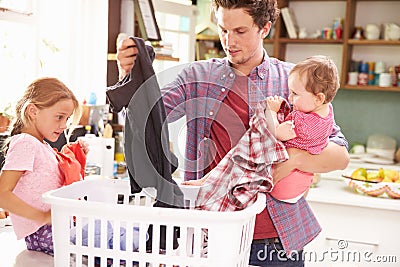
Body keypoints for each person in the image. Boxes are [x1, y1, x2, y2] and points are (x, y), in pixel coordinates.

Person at [116, 0, 349, 265]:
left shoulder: (293, 80)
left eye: (240, 31)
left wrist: (293, 159)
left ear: (264, 28)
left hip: (274, 241)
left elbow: (340, 155)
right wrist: (128, 76)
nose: (229, 41)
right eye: (223, 30)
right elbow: (146, 120)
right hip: (208, 235)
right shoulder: (197, 76)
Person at [0, 77, 88, 256]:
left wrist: (74, 155)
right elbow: (2, 194)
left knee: (114, 237)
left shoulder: (41, 145)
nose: (64, 125)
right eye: (59, 117)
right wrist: (43, 217)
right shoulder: (25, 143)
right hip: (43, 231)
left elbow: (50, 176)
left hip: (54, 227)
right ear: (33, 111)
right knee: (110, 241)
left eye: (67, 119)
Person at [265, 55, 340, 203]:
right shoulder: (328, 111)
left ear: (318, 98)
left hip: (284, 183)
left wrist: (272, 111)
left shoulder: (299, 121)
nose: (290, 98)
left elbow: (277, 132)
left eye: (295, 94)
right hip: (304, 181)